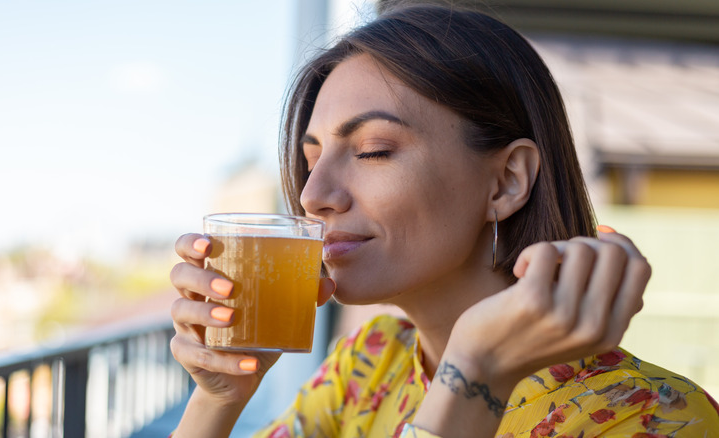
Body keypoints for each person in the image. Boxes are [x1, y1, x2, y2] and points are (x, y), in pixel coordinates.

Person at [168, 4, 719, 437]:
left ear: (506, 181)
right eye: (311, 160)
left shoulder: (652, 419)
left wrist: (476, 374)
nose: (313, 196)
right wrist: (218, 396)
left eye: (374, 150)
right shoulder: (371, 366)